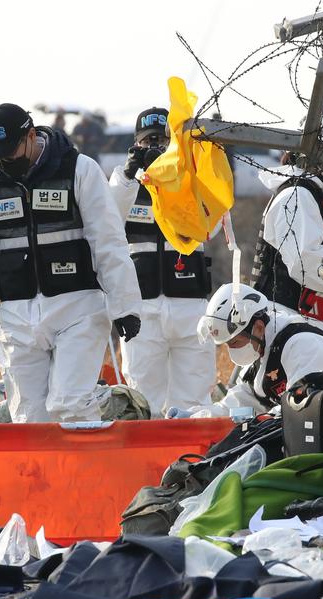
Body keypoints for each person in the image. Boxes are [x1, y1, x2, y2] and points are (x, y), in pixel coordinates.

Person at [0, 102, 143, 422]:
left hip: (78, 307)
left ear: (30, 136)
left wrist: (125, 307)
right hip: (15, 315)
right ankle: (43, 474)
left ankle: (114, 417)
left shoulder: (80, 169)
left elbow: (108, 243)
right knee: (29, 417)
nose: (3, 160)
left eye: (10, 150)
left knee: (69, 405)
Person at [108, 106, 215, 414]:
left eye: (163, 141)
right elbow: (106, 220)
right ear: (136, 145)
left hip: (190, 307)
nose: (155, 148)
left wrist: (180, 171)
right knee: (144, 400)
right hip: (142, 310)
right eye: (148, 141)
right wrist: (129, 175)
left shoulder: (194, 179)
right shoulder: (125, 186)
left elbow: (214, 217)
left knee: (195, 401)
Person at [252, 101, 323, 327]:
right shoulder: (297, 196)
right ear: (319, 149)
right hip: (282, 321)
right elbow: (305, 262)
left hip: (307, 322)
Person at [191, 283, 323, 417]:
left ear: (257, 327)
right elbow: (237, 406)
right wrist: (196, 417)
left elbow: (305, 408)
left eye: (234, 342)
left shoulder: (302, 345)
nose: (232, 351)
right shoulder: (261, 352)